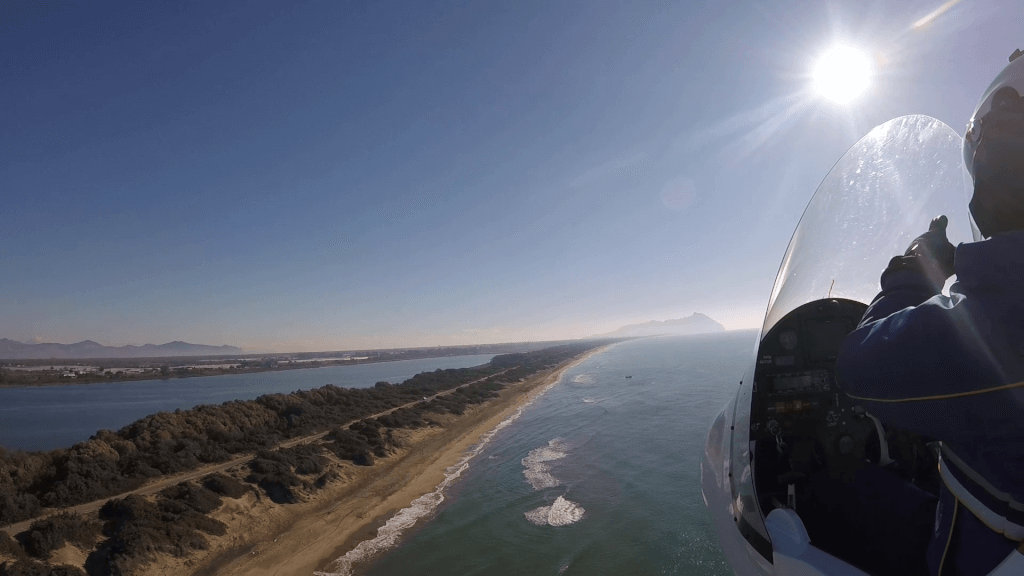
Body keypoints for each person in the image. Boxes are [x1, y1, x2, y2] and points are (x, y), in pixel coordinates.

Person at [836, 50, 1024, 575]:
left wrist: (913, 273)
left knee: (841, 489)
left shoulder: (997, 316)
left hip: (982, 550)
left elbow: (858, 367)